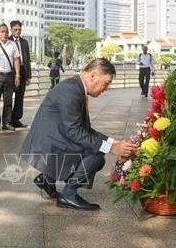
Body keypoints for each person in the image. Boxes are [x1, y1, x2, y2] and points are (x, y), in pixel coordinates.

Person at [20, 58, 137, 211]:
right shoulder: (72, 91)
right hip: (46, 145)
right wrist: (110, 148)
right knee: (96, 155)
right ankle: (68, 195)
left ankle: (48, 179)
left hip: (52, 139)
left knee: (97, 148)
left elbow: (84, 129)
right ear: (93, 76)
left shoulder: (75, 87)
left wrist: (114, 142)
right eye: (106, 83)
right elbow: (75, 132)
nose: (106, 89)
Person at [0, 24, 21, 132]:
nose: (5, 34)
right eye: (2, 31)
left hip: (9, 75)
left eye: (6, 32)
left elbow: (16, 60)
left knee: (8, 101)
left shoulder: (12, 44)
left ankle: (7, 122)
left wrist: (17, 75)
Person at [9, 20, 30, 128]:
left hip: (22, 70)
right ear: (11, 29)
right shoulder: (6, 40)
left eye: (19, 29)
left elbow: (27, 59)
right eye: (15, 29)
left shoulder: (24, 42)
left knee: (20, 97)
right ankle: (7, 120)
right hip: (10, 72)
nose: (18, 31)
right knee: (8, 97)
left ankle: (16, 119)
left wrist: (28, 76)